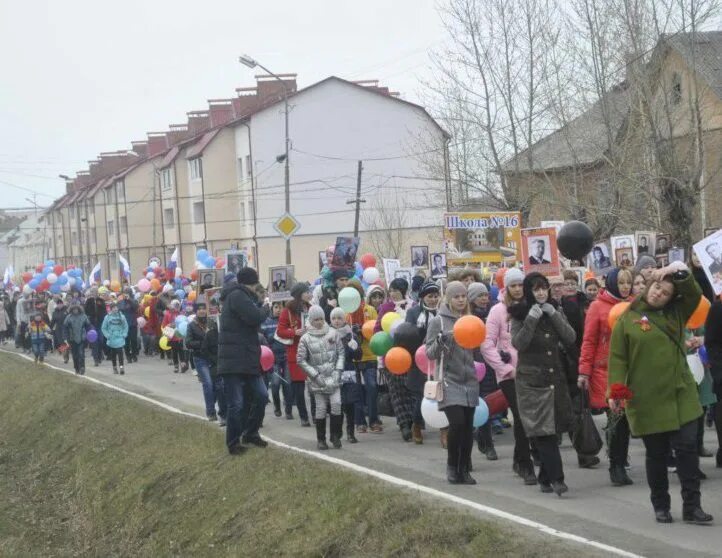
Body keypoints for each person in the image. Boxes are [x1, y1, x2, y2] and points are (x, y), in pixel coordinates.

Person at [608, 261, 712, 524]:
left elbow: (693, 293)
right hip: (647, 398)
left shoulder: (676, 312)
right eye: (656, 288)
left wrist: (676, 272)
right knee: (656, 455)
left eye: (665, 292)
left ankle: (692, 507)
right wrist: (616, 391)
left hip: (681, 393)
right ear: (647, 287)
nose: (658, 294)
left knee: (687, 449)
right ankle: (661, 505)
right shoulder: (627, 319)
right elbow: (618, 358)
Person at [510, 272, 576, 496]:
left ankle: (544, 478)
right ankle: (558, 479)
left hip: (554, 378)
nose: (540, 293)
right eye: (536, 289)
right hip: (531, 382)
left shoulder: (554, 309)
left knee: (553, 430)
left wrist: (554, 315)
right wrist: (531, 319)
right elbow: (519, 344)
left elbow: (570, 337)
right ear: (529, 291)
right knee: (544, 432)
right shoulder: (519, 314)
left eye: (543, 288)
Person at [480, 268, 537, 484]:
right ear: (507, 287)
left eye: (521, 285)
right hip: (509, 375)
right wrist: (503, 369)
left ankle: (520, 458)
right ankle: (525, 465)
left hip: (531, 371)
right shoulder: (497, 311)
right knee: (521, 417)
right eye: (513, 285)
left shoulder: (531, 307)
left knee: (530, 418)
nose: (518, 289)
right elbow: (486, 344)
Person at [578, 268, 633, 486]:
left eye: (628, 282)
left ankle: (620, 457)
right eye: (621, 282)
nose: (626, 286)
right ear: (611, 283)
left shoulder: (634, 304)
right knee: (616, 417)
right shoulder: (597, 307)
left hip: (631, 368)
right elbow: (589, 340)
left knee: (627, 419)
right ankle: (616, 466)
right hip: (606, 370)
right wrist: (584, 371)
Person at [425, 281, 479, 485]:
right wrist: (442, 340)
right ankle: (452, 466)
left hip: (470, 380)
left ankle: (465, 468)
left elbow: (476, 347)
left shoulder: (471, 319)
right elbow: (429, 352)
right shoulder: (438, 321)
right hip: (449, 381)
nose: (460, 300)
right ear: (448, 298)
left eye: (463, 296)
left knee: (468, 428)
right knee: (457, 423)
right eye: (456, 296)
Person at [217, 267, 270, 455]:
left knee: (261, 395)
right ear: (252, 282)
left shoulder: (243, 297)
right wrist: (266, 307)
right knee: (236, 403)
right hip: (234, 360)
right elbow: (254, 317)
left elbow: (251, 321)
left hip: (247, 357)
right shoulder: (238, 296)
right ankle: (233, 442)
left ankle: (251, 433)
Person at [298, 304, 345, 450]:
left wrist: (338, 371)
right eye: (316, 319)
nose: (319, 322)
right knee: (321, 408)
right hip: (317, 380)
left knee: (337, 404)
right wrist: (315, 375)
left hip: (334, 377)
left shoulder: (333, 333)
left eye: (321, 319)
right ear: (311, 320)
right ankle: (321, 439)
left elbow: (341, 353)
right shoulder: (305, 338)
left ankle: (336, 436)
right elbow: (301, 360)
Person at [376, 278, 415, 441]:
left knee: (411, 390)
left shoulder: (414, 306)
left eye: (396, 290)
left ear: (403, 290)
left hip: (411, 354)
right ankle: (404, 424)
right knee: (396, 391)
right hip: (392, 355)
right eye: (390, 290)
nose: (392, 293)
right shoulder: (386, 308)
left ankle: (414, 421)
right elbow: (378, 329)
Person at [405, 280, 441, 444]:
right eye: (429, 296)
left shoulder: (442, 312)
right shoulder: (413, 313)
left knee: (442, 394)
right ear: (422, 297)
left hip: (440, 358)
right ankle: (417, 425)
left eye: (435, 296)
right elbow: (408, 335)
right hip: (420, 360)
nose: (433, 299)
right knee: (422, 394)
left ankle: (444, 429)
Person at [346, 281, 384, 434]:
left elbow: (375, 330)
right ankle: (359, 421)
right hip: (353, 357)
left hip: (369, 355)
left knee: (372, 387)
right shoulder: (345, 313)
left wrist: (362, 331)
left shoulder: (370, 310)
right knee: (356, 391)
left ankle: (374, 419)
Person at [277, 282, 314, 426]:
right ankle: (304, 416)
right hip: (295, 352)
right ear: (300, 294)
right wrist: (294, 332)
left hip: (312, 351)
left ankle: (317, 414)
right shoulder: (288, 310)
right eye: (306, 291)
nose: (309, 294)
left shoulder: (311, 308)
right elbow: (280, 331)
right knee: (299, 387)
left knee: (314, 385)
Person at [330, 306, 363, 443]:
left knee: (350, 405)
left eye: (339, 318)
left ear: (344, 319)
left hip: (349, 372)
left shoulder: (350, 335)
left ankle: (350, 432)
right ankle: (337, 433)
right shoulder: (328, 336)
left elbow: (358, 356)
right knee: (337, 405)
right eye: (334, 318)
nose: (337, 321)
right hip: (334, 373)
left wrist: (355, 347)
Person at [187, 302, 221, 421]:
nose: (202, 311)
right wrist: (203, 344)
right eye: (199, 309)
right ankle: (211, 412)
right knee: (208, 384)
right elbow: (188, 343)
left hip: (212, 357)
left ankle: (213, 402)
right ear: (196, 311)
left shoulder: (212, 323)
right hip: (200, 358)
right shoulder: (192, 325)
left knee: (218, 385)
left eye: (203, 309)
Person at [260, 301, 292, 418]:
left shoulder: (287, 321)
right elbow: (263, 341)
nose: (278, 309)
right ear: (272, 308)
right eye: (276, 307)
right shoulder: (266, 323)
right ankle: (277, 406)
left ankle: (288, 410)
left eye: (281, 307)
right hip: (273, 358)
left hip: (286, 356)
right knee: (275, 383)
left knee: (288, 383)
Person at [63, 302, 91, 374]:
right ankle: (76, 368)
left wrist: (89, 335)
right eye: (74, 309)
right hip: (72, 338)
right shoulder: (68, 317)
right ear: (72, 310)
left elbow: (88, 326)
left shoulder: (84, 316)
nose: (75, 311)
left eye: (76, 309)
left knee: (81, 354)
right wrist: (65, 338)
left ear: (79, 309)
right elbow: (65, 328)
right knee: (75, 355)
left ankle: (82, 367)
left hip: (82, 338)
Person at [101, 301, 129, 375]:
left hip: (120, 336)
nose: (115, 309)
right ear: (110, 309)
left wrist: (124, 334)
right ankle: (114, 367)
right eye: (113, 308)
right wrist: (107, 335)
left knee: (120, 352)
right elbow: (103, 328)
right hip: (112, 337)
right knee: (113, 354)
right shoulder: (107, 317)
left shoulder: (122, 316)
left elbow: (125, 326)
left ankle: (121, 367)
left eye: (116, 307)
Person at [162, 300, 188, 373]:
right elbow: (164, 325)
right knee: (174, 351)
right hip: (172, 336)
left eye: (178, 306)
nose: (176, 308)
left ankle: (183, 365)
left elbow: (185, 322)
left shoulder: (181, 313)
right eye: (175, 306)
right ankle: (176, 366)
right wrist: (169, 325)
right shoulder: (167, 314)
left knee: (181, 350)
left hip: (180, 335)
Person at [84, 288, 107, 366]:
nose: (94, 293)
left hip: (100, 323)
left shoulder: (100, 300)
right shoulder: (88, 301)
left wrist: (99, 304)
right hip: (92, 324)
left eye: (95, 292)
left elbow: (104, 311)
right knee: (94, 342)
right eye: (92, 292)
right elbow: (85, 311)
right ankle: (95, 359)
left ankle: (100, 354)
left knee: (101, 340)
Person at [118, 288, 140, 363]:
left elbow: (136, 307)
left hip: (133, 324)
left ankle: (134, 355)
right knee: (126, 342)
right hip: (124, 325)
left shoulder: (134, 301)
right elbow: (120, 309)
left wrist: (129, 299)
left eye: (127, 293)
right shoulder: (120, 302)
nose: (126, 294)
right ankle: (128, 356)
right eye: (125, 293)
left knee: (133, 340)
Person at [49, 299, 69, 363]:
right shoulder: (54, 313)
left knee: (66, 343)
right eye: (58, 304)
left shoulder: (66, 311)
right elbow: (52, 322)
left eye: (61, 303)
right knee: (61, 343)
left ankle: (66, 355)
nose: (60, 305)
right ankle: (65, 357)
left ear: (63, 304)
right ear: (57, 305)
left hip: (66, 329)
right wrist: (50, 329)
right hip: (58, 329)